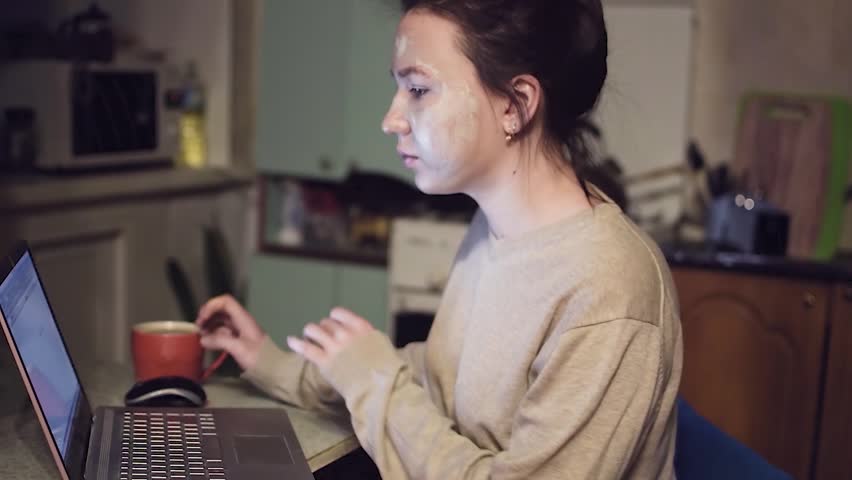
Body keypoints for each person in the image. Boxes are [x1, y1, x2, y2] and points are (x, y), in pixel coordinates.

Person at [196, 0, 683, 478]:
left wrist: (375, 382)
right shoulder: (492, 231)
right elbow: (442, 378)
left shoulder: (608, 287)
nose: (392, 119)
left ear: (515, 105)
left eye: (419, 89)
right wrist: (272, 362)